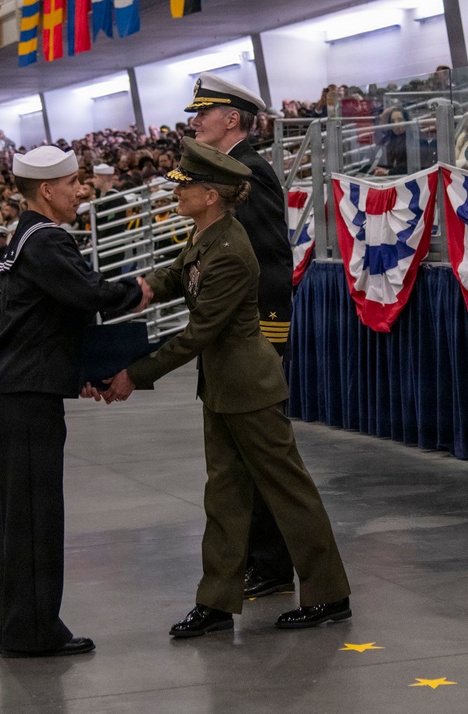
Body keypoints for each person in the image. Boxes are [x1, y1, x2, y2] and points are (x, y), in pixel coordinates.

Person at [99, 138, 352, 636]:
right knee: (224, 496)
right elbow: (176, 276)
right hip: (221, 388)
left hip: (250, 389)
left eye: (185, 187)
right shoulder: (206, 235)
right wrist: (135, 291)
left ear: (211, 194)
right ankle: (216, 601)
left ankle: (329, 595)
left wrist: (134, 374)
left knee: (288, 492)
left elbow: (198, 334)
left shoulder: (233, 250)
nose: (178, 193)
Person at [0, 145, 145, 658]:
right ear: (46, 190)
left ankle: (22, 626)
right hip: (27, 394)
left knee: (20, 516)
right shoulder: (47, 239)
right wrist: (139, 291)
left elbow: (52, 319)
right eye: (74, 183)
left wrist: (78, 371)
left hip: (21, 387)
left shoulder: (28, 235)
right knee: (34, 516)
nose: (83, 190)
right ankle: (33, 632)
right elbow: (87, 293)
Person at [184, 72, 296, 599]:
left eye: (204, 112)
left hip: (254, 336)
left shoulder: (251, 172)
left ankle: (272, 566)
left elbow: (272, 260)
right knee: (240, 460)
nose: (195, 120)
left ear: (232, 119)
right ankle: (260, 562)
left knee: (263, 458)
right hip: (230, 336)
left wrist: (267, 334)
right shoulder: (227, 171)